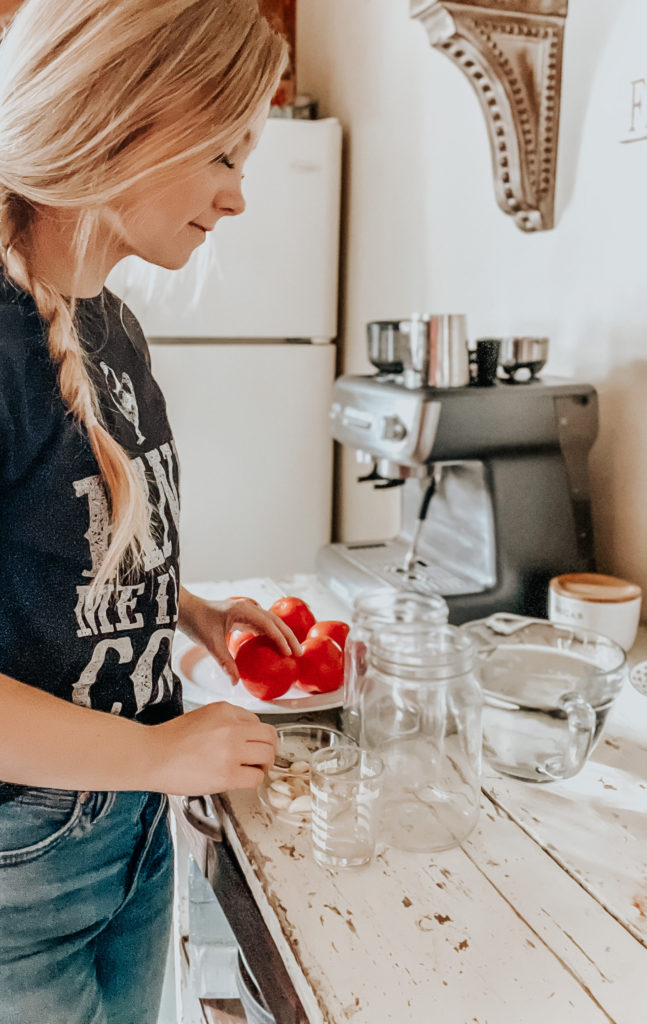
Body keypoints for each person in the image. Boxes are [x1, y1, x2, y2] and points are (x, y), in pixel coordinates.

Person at [0, 2, 299, 1021]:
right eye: (223, 151)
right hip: (18, 869)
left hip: (128, 834)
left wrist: (190, 611)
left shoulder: (109, 324)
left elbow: (51, 554)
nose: (238, 197)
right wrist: (159, 753)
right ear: (114, 112)